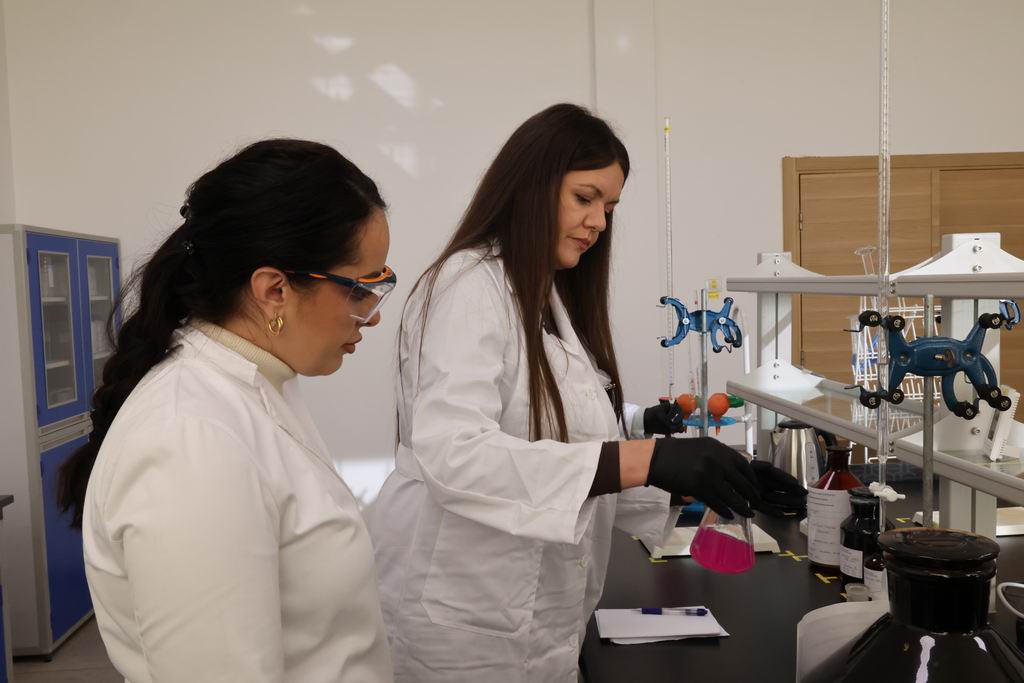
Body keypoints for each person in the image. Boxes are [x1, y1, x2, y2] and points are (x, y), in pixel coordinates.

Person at [369, 104, 760, 681]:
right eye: (585, 198)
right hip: (463, 621)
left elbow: (569, 458)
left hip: (541, 616)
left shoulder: (550, 304)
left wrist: (698, 483)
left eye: (609, 208)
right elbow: (454, 454)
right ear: (531, 186)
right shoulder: (469, 286)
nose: (598, 222)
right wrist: (647, 458)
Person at [57, 139, 396, 682]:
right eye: (361, 290)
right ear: (274, 289)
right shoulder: (190, 441)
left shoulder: (259, 384)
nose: (372, 316)